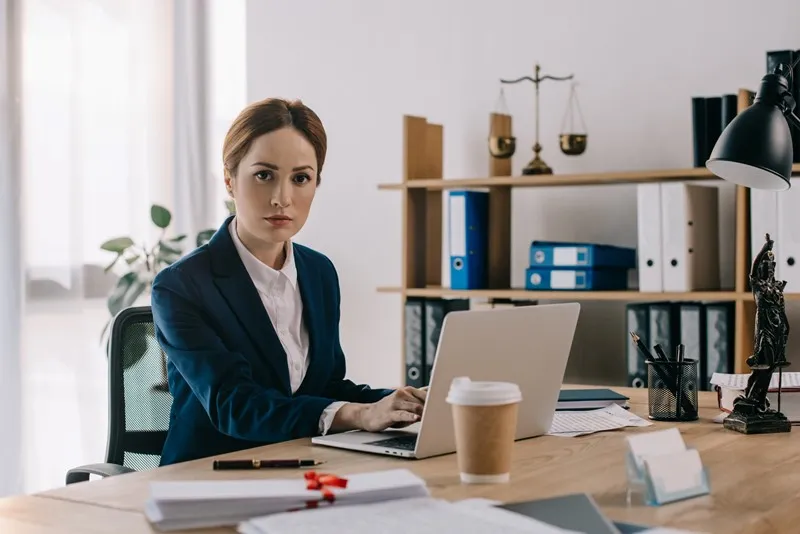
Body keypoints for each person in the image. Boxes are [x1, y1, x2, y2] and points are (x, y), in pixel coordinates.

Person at [151, 97, 427, 465]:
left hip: (301, 463)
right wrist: (360, 415)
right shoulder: (181, 285)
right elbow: (235, 405)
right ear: (230, 180)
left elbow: (326, 388)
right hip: (209, 476)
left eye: (300, 178)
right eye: (264, 175)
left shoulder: (319, 272)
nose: (282, 198)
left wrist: (403, 403)